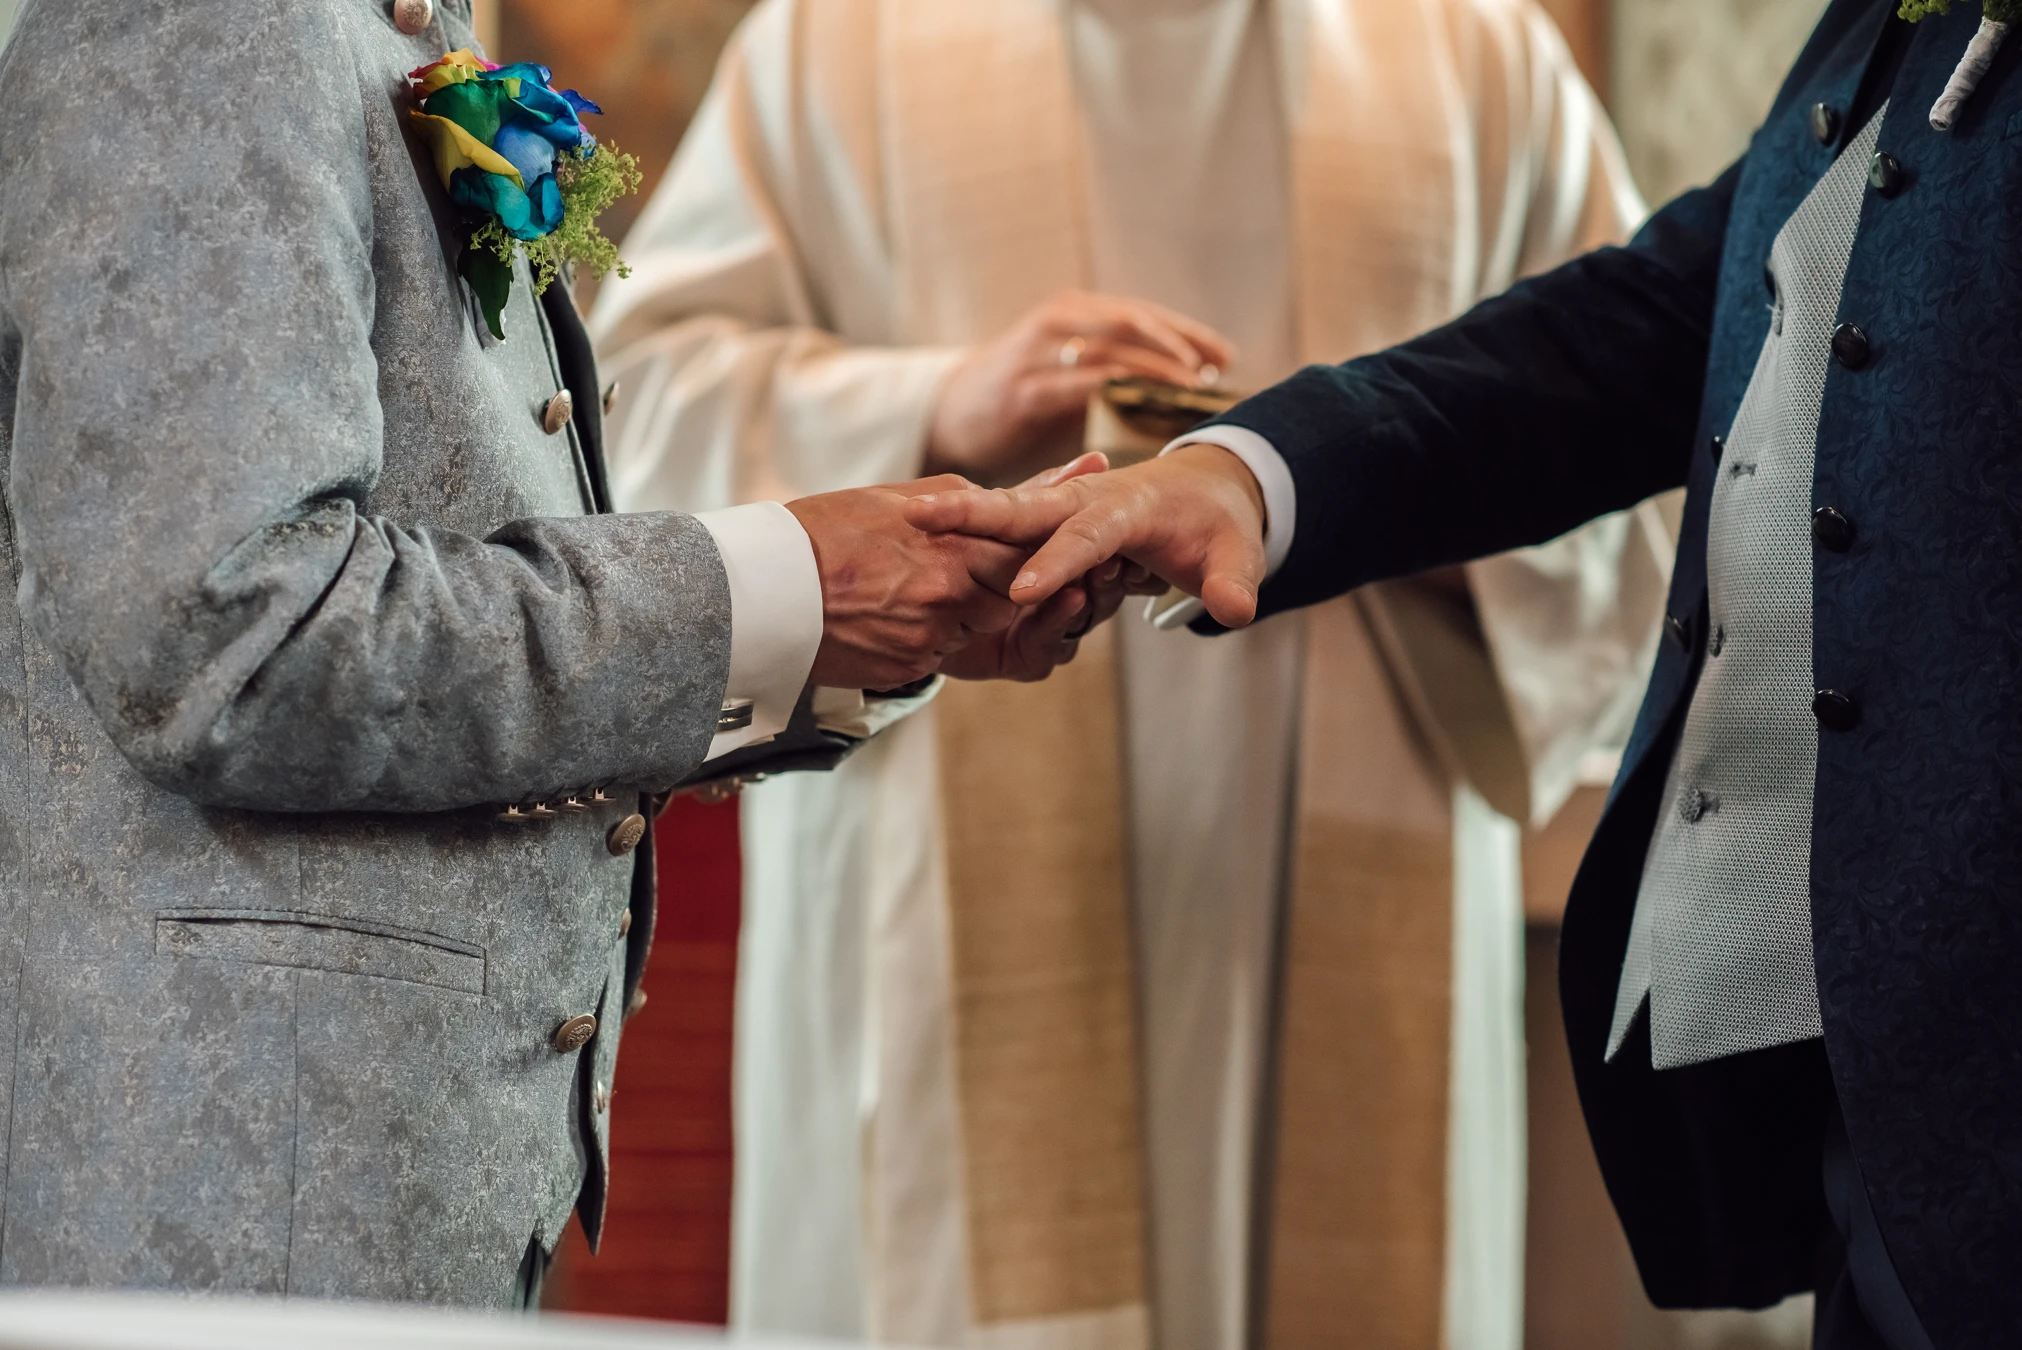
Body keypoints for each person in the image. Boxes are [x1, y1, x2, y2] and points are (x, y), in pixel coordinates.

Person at [908, 0, 2016, 1344]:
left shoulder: (1457, 40)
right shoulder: (1881, 27)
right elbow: (1660, 316)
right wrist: (1247, 478)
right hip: (1888, 1097)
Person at [588, 1, 1669, 1345]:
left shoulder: (1466, 48)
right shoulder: (838, 41)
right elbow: (630, 400)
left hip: (1359, 792)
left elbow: (1646, 416)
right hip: (943, 835)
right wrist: (940, 403)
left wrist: (1353, 492)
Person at [0, 0, 1112, 1305]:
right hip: (227, 1211)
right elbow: (235, 639)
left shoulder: (384, 26)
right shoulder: (207, 20)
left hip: (374, 1197)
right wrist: (763, 589)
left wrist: (827, 623)